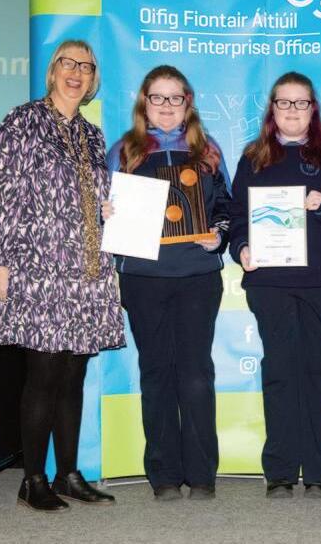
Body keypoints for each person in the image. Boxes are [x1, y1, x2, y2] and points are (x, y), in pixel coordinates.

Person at [0, 39, 124, 512]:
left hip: (86, 271)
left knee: (73, 373)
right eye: (68, 63)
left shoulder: (92, 135)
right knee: (43, 373)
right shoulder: (22, 121)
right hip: (37, 267)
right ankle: (33, 479)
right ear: (53, 71)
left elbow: (91, 196)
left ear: (93, 78)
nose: (76, 72)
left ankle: (68, 474)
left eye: (86, 66)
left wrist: (106, 210)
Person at [105, 65, 231, 501]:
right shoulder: (124, 151)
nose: (166, 106)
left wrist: (219, 234)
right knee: (156, 372)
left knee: (196, 374)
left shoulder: (208, 150)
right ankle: (163, 474)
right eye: (157, 97)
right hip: (144, 280)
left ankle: (202, 474)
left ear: (187, 104)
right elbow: (104, 210)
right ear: (144, 102)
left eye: (175, 97)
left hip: (198, 277)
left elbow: (226, 207)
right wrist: (106, 213)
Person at [229, 72, 321, 498]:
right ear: (272, 109)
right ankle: (280, 470)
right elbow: (237, 217)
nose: (293, 110)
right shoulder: (253, 157)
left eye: (301, 103)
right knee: (279, 372)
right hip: (270, 282)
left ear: (313, 109)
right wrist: (241, 247)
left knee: (316, 372)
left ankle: (318, 472)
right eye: (284, 102)